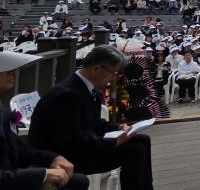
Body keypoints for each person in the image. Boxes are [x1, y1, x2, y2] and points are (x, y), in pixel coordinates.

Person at [27, 45, 154, 190]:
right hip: (62, 156)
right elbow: (72, 141)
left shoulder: (86, 88)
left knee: (142, 140)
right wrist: (114, 142)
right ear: (97, 69)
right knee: (134, 151)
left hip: (80, 145)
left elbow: (93, 123)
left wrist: (117, 127)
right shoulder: (67, 96)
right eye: (113, 73)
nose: (113, 78)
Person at [1, 51, 89, 190]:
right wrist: (42, 174)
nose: (12, 72)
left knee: (77, 180)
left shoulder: (3, 109)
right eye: (6, 70)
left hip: (11, 176)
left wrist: (52, 158)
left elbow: (17, 149)